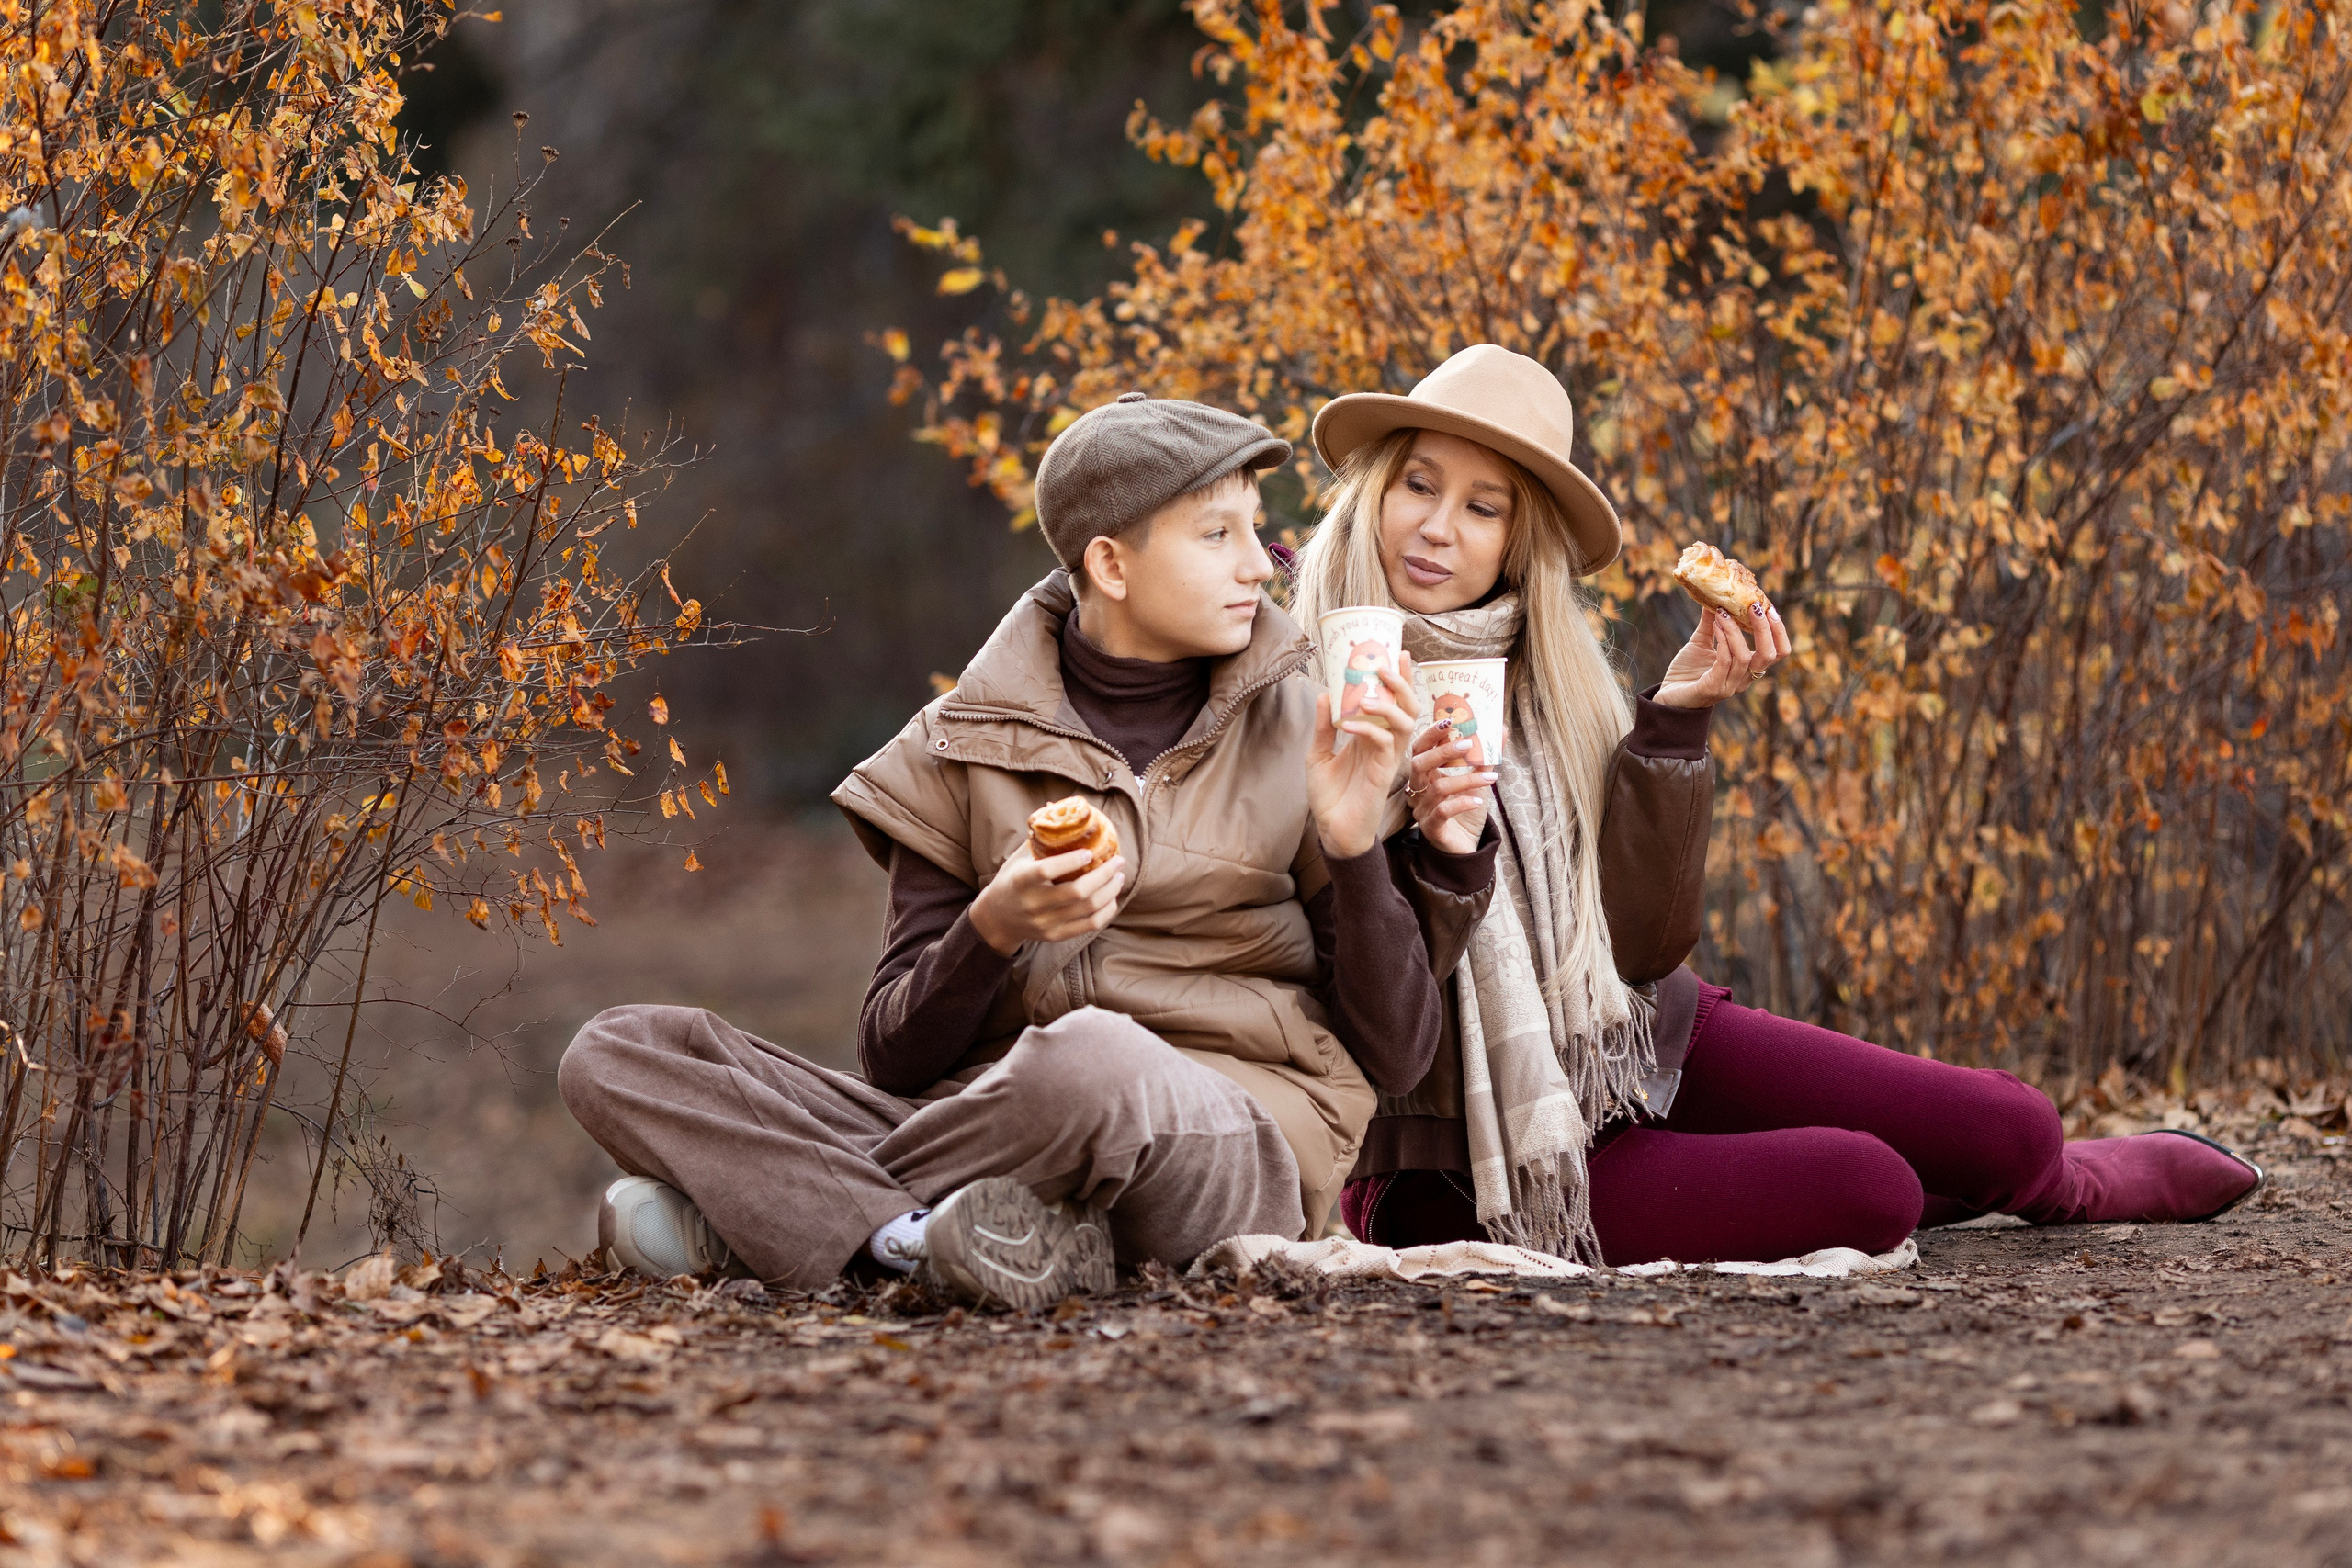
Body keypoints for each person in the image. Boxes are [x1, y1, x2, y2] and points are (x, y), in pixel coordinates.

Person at [1290, 344, 2264, 1267]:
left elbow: (1638, 950)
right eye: (1419, 483)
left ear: (1518, 540)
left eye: (1483, 507)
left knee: (2011, 1126)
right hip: (1461, 1157)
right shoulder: (1307, 676)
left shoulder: (1540, 677)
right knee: (1867, 1188)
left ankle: (2050, 1181)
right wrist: (1423, 841)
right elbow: (1374, 1025)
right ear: (1378, 484)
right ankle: (1917, 1180)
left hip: (1625, 1044)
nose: (1437, 526)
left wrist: (1676, 721)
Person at [557, 392, 1496, 1307]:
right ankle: (918, 1239)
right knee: (619, 1049)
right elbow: (892, 1055)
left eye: (1258, 531)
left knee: (1088, 1061)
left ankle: (788, 1216)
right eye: (1218, 536)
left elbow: (1394, 1053)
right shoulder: (960, 742)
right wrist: (993, 927)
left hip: (1232, 1132)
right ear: (1111, 565)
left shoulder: (1313, 720)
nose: (1261, 565)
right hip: (990, 1117)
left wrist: (1351, 838)